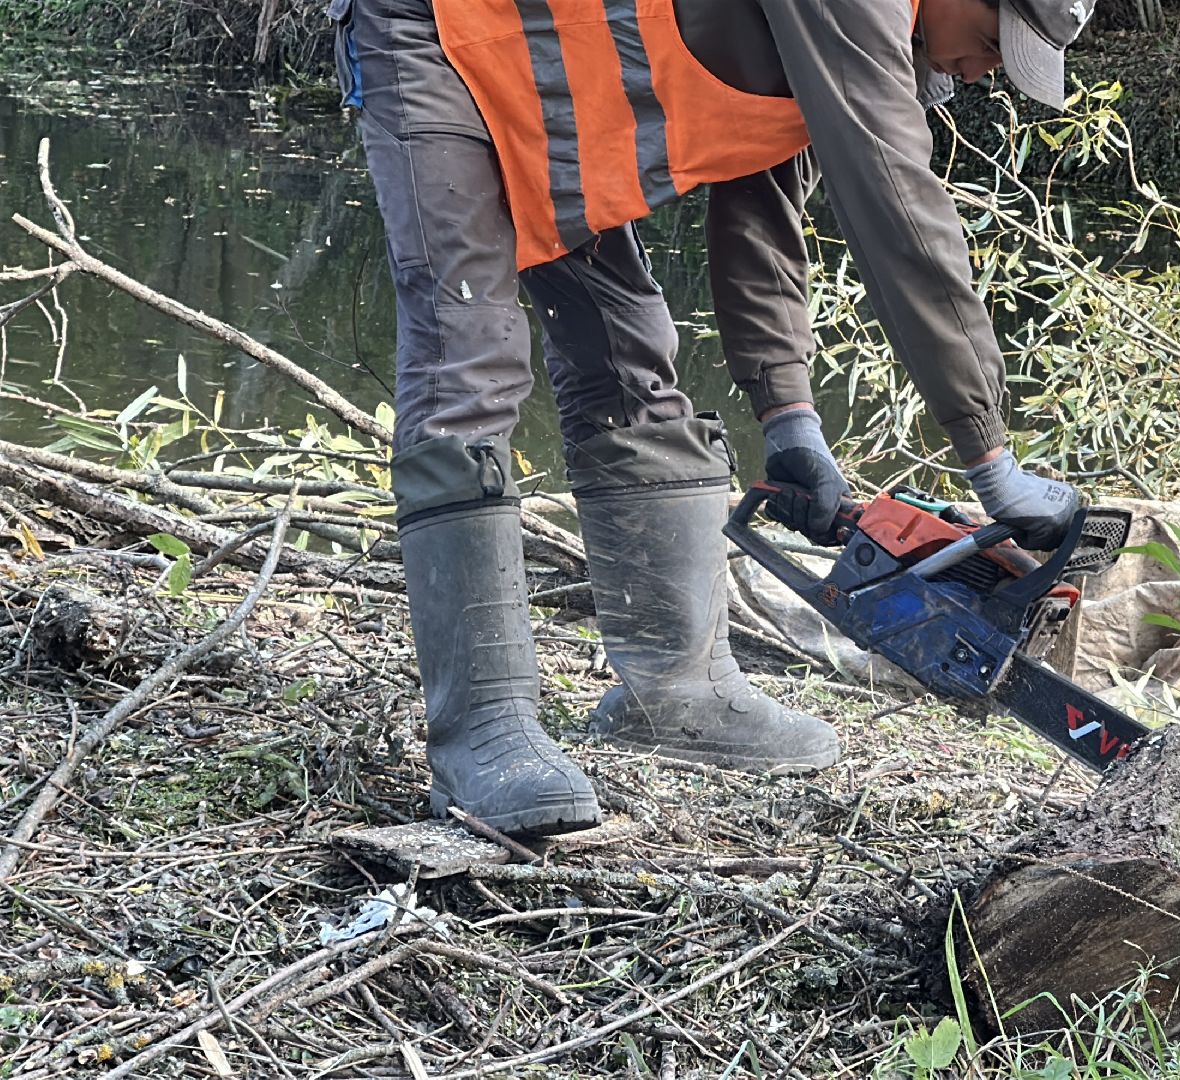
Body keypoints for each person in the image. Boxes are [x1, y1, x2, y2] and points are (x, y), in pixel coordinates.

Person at [329, 0, 1096, 835]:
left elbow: (763, 193)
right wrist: (989, 456)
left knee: (628, 346)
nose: (985, 73)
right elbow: (895, 200)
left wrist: (790, 417)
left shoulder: (855, 40)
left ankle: (675, 694)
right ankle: (484, 733)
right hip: (434, 31)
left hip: (545, 71)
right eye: (991, 42)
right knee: (467, 345)